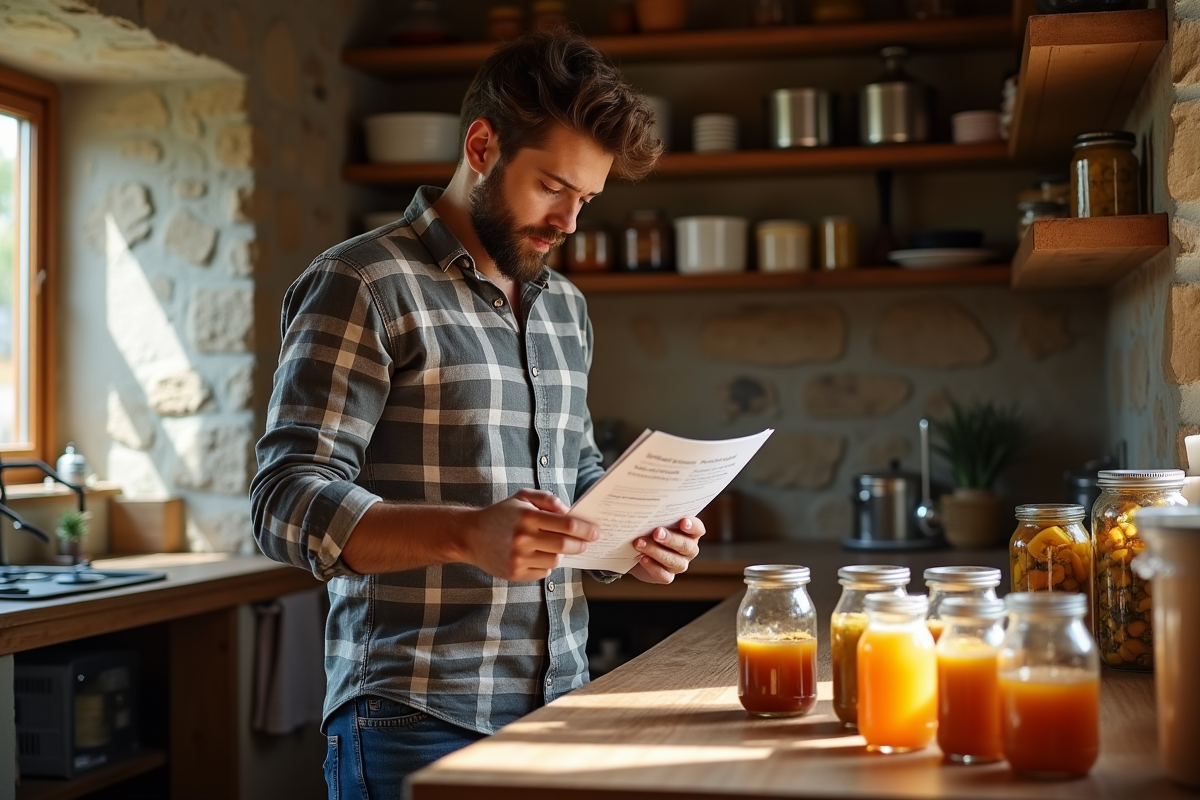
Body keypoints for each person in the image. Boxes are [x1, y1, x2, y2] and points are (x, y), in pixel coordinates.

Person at [250, 30, 707, 798]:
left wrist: (638, 535)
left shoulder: (564, 306)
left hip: (560, 702)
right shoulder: (363, 280)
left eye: (586, 200)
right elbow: (284, 500)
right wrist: (467, 532)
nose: (569, 222)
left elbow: (574, 474)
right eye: (553, 187)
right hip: (411, 715)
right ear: (483, 144)